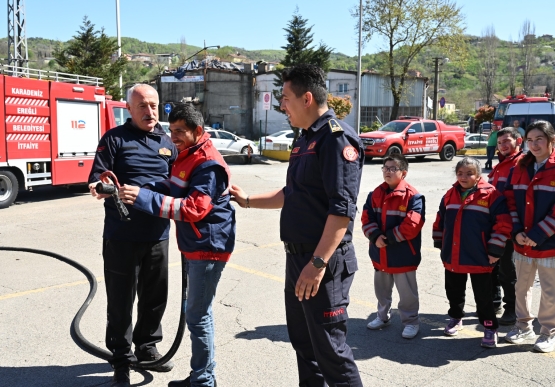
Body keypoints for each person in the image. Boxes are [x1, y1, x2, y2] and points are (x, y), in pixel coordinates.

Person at [230, 64, 363, 386]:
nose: (281, 105)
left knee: (331, 351)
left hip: (323, 264)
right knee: (305, 346)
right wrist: (247, 200)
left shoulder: (335, 138)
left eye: (285, 98)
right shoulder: (306, 139)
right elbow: (293, 194)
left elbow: (342, 211)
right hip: (298, 259)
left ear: (306, 98)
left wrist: (317, 264)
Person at [119, 103, 236, 386]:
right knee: (197, 314)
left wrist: (144, 199)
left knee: (197, 316)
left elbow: (195, 209)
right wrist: (143, 189)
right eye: (171, 131)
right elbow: (173, 189)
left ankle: (204, 381)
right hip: (194, 243)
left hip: (208, 247)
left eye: (180, 131)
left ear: (198, 130)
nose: (174, 138)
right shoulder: (186, 155)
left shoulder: (207, 163)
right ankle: (201, 377)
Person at [88, 84, 177, 387]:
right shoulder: (114, 139)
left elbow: (180, 180)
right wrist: (100, 187)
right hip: (121, 235)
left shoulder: (167, 142)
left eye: (154, 105)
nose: (150, 111)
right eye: (142, 106)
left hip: (158, 234)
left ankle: (147, 348)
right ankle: (121, 360)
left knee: (155, 297)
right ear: (129, 109)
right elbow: (98, 177)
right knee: (121, 301)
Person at [433, 157, 512, 348]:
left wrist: (495, 249)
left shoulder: (492, 195)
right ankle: (455, 317)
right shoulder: (450, 194)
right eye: (460, 173)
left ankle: (489, 326)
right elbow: (440, 220)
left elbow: (503, 224)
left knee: (484, 296)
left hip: (481, 255)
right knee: (454, 291)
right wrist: (440, 242)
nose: (464, 177)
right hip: (453, 254)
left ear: (478, 176)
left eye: (469, 173)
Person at [504, 120, 555, 353]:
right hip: (522, 242)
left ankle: (548, 332)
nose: (534, 145)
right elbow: (510, 201)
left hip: (549, 243)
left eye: (540, 139)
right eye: (531, 140)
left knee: (549, 291)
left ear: (551, 141)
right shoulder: (519, 168)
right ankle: (523, 326)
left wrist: (537, 233)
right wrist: (517, 232)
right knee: (521, 288)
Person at [361, 154, 425, 339]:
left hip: (402, 254)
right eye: (385, 168)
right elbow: (367, 217)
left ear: (403, 173)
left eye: (392, 168)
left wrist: (386, 239)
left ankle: (411, 322)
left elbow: (412, 225)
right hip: (379, 252)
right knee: (381, 290)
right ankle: (382, 316)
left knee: (407, 294)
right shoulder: (375, 194)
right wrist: (374, 236)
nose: (387, 171)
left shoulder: (414, 197)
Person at [487, 127, 524, 326]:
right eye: (500, 143)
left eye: (507, 141)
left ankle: (512, 308)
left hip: (509, 226)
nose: (502, 146)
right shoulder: (499, 165)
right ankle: (495, 302)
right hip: (495, 224)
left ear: (518, 141)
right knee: (493, 265)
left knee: (507, 269)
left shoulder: (521, 164)